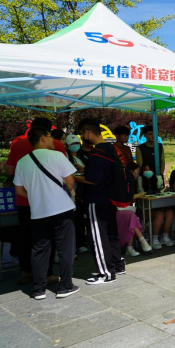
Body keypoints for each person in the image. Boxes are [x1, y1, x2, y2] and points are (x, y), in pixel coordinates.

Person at [13, 126, 78, 299]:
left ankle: (39, 289)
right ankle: (65, 286)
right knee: (65, 248)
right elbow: (70, 182)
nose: (52, 140)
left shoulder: (22, 162)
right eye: (50, 136)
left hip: (38, 212)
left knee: (40, 249)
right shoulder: (57, 156)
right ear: (42, 137)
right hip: (61, 209)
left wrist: (36, 196)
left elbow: (19, 190)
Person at [5, 117, 66, 285]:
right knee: (47, 237)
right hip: (49, 200)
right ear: (47, 132)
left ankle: (25, 272)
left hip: (24, 199)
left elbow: (10, 171)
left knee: (26, 235)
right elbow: (64, 173)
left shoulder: (17, 145)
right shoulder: (57, 145)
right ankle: (47, 273)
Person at [75, 118, 125, 285]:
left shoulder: (96, 153)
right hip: (110, 198)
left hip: (96, 199)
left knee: (98, 235)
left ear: (88, 132)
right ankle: (117, 265)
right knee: (111, 233)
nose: (82, 137)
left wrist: (74, 177)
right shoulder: (111, 148)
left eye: (82, 134)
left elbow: (93, 179)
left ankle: (106, 273)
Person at [117, 162, 152, 257]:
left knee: (131, 215)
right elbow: (125, 198)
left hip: (125, 210)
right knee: (131, 215)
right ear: (131, 172)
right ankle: (141, 241)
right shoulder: (121, 182)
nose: (138, 175)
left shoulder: (132, 182)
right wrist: (139, 195)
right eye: (137, 172)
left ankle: (132, 246)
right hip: (116, 210)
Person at [138, 162, 175, 249]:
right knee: (160, 214)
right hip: (145, 208)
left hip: (159, 205)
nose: (147, 171)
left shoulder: (158, 178)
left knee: (170, 212)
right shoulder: (140, 180)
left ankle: (165, 236)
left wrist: (164, 190)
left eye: (149, 169)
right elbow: (141, 194)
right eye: (145, 170)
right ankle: (154, 238)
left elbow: (161, 190)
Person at [65, 134, 88, 254]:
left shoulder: (83, 157)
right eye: (72, 144)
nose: (75, 146)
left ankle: (81, 242)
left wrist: (82, 170)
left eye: (77, 143)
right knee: (73, 218)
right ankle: (73, 244)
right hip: (71, 192)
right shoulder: (65, 159)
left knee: (81, 219)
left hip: (84, 191)